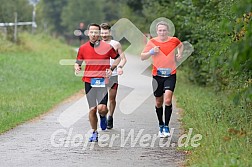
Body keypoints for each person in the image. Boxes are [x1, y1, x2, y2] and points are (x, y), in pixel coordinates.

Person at [74, 23, 120, 142]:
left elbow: (118, 58)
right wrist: (77, 67)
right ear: (88, 33)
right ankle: (94, 132)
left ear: (99, 34)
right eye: (92, 32)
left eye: (96, 32)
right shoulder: (83, 48)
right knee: (92, 109)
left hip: (102, 81)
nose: (94, 35)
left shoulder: (107, 47)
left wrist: (111, 69)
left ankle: (103, 116)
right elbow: (78, 61)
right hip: (89, 81)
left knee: (102, 108)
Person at [140, 21, 183, 138]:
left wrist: (179, 54)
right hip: (157, 76)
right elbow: (142, 57)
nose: (162, 32)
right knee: (159, 102)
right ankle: (160, 124)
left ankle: (166, 127)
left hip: (170, 74)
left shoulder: (173, 40)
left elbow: (180, 45)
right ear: (157, 31)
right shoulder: (152, 42)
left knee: (168, 100)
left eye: (164, 30)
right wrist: (151, 51)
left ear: (167, 31)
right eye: (160, 30)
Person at [100, 23, 127, 129]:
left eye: (106, 33)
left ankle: (110, 116)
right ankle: (103, 116)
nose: (104, 35)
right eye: (102, 33)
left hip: (113, 74)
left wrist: (120, 67)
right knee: (102, 99)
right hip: (101, 75)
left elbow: (123, 58)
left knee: (112, 98)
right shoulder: (97, 43)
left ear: (110, 32)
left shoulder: (116, 44)